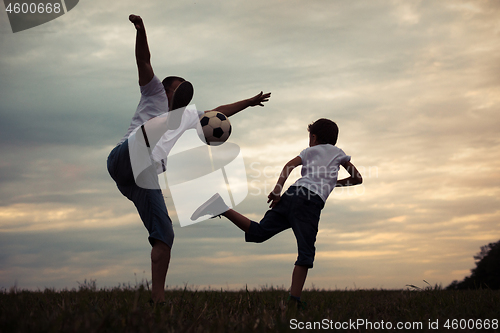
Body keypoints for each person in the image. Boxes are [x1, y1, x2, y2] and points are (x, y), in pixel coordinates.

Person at [107, 14, 271, 304]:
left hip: (143, 178)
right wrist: (141, 30)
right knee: (152, 132)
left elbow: (219, 112)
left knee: (165, 234)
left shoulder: (191, 117)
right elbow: (144, 61)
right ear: (168, 88)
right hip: (125, 156)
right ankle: (164, 123)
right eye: (179, 88)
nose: (183, 92)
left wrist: (248, 102)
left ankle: (158, 300)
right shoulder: (153, 92)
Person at [190, 118, 363, 309]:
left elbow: (289, 166)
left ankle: (221, 207)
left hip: (291, 195)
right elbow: (357, 179)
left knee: (259, 232)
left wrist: (277, 190)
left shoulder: (308, 151)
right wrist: (334, 183)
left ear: (313, 137)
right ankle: (294, 301)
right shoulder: (339, 154)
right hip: (309, 203)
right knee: (306, 254)